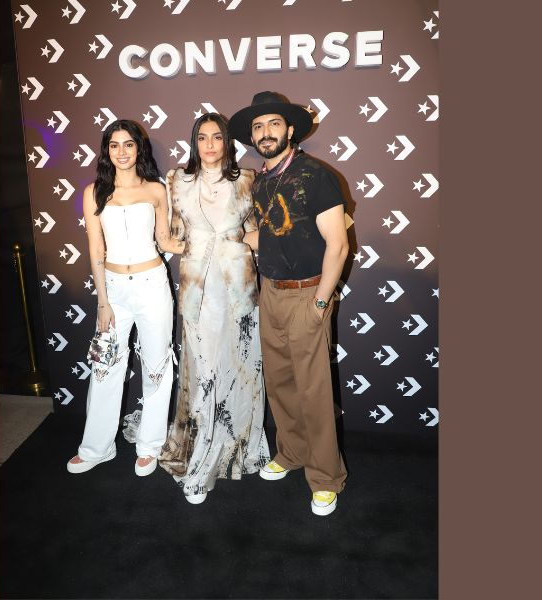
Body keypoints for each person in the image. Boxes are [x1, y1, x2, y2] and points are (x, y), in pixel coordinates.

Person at [228, 91, 350, 516]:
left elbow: (338, 245)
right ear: (252, 137)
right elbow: (279, 231)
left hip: (307, 294)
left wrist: (320, 303)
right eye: (258, 127)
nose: (266, 132)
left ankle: (326, 478)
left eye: (274, 124)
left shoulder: (316, 175)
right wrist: (242, 240)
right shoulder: (262, 181)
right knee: (280, 385)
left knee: (314, 392)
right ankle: (292, 452)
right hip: (271, 293)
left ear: (291, 129)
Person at [157, 113, 270, 504]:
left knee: (241, 369)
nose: (209, 145)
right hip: (199, 292)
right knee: (206, 374)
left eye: (217, 137)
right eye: (202, 137)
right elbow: (169, 236)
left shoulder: (248, 180)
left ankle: (242, 448)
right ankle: (201, 461)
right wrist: (191, 249)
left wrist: (253, 242)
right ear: (194, 142)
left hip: (239, 288)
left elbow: (257, 231)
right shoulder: (177, 180)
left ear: (227, 143)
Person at [66, 120, 181, 477]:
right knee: (104, 367)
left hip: (152, 285)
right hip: (113, 290)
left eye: (128, 144)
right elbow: (95, 249)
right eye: (114, 145)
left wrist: (209, 245)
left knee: (158, 365)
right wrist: (103, 301)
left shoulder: (157, 189)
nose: (122, 151)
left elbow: (165, 240)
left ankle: (149, 446)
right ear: (107, 151)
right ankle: (97, 448)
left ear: (138, 148)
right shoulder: (94, 192)